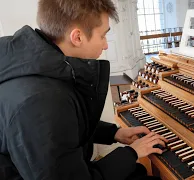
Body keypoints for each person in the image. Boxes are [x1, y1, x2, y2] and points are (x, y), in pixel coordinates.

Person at [0, 0, 167, 179]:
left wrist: (114, 133)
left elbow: (62, 129)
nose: (106, 45)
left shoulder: (36, 63)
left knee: (137, 171)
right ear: (77, 37)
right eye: (103, 36)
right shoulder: (42, 101)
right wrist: (132, 153)